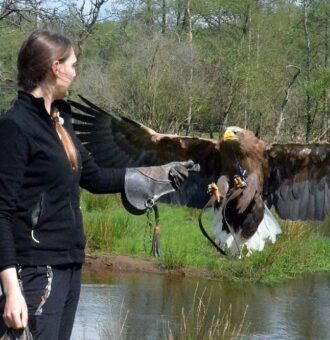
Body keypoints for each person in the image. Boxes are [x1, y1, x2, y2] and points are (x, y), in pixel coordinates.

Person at [0, 30, 196, 339]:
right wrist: (12, 290)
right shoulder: (16, 126)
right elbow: (1, 213)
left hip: (70, 263)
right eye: (73, 65)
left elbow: (94, 176)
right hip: (37, 271)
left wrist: (158, 174)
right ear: (55, 67)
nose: (75, 73)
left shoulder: (59, 120)